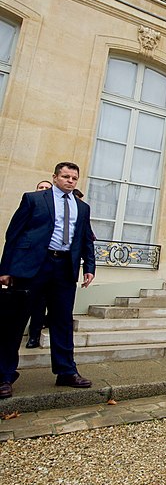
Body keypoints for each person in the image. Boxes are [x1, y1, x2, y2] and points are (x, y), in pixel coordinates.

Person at [0, 162, 96, 399]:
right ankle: (4, 375)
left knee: (62, 321)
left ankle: (66, 371)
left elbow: (86, 239)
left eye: (74, 178)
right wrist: (6, 268)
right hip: (34, 266)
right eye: (65, 176)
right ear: (55, 177)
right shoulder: (34, 199)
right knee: (15, 322)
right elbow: (13, 234)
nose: (70, 181)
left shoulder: (82, 208)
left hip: (64, 268)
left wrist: (89, 267)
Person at [25, 180, 56, 348]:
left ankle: (34, 336)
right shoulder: (29, 203)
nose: (43, 190)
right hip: (28, 265)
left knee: (39, 304)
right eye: (41, 187)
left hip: (47, 266)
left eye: (46, 188)